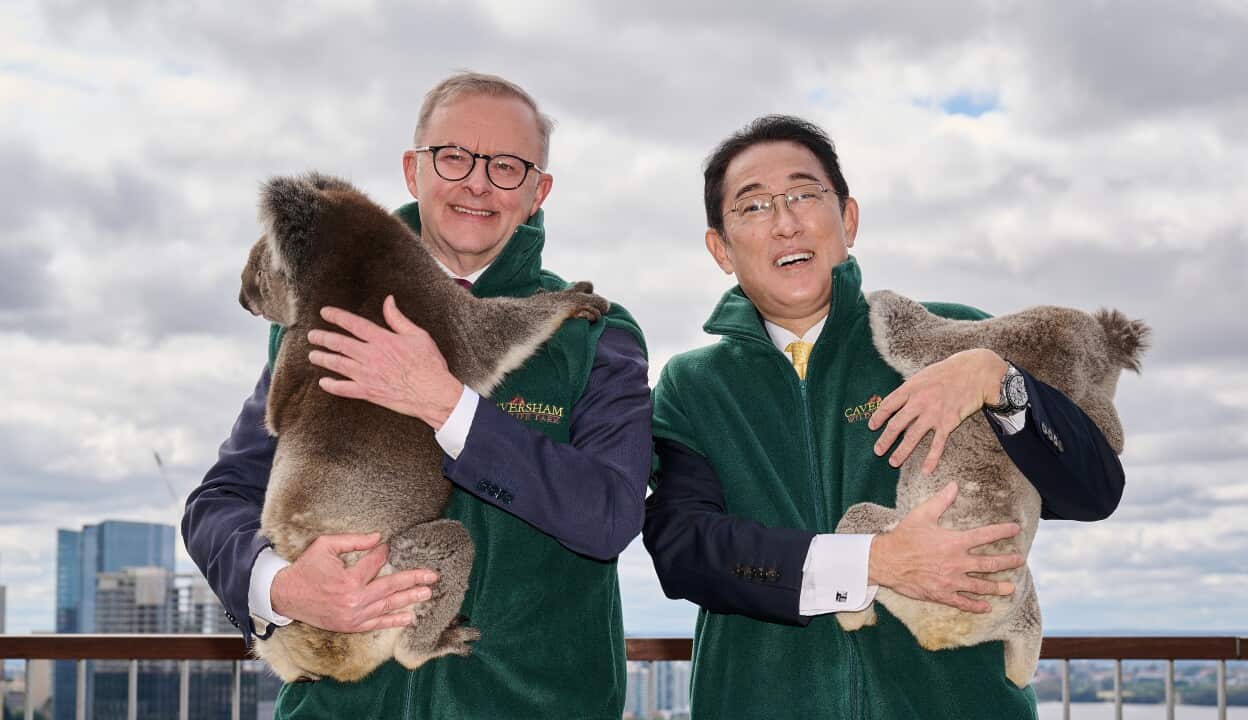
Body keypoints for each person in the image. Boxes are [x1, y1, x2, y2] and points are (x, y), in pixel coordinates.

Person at [183, 72, 651, 719]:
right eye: (453, 156)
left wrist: (447, 405)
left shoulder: (595, 334)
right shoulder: (318, 313)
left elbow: (609, 518)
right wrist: (281, 585)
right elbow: (219, 502)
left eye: (507, 166)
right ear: (413, 170)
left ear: (539, 191)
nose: (476, 182)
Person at [642, 115, 1125, 719]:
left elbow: (1094, 491)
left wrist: (1001, 382)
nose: (786, 220)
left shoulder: (950, 337)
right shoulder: (694, 385)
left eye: (804, 194)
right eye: (755, 206)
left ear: (847, 218)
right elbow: (685, 549)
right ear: (720, 247)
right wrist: (874, 561)